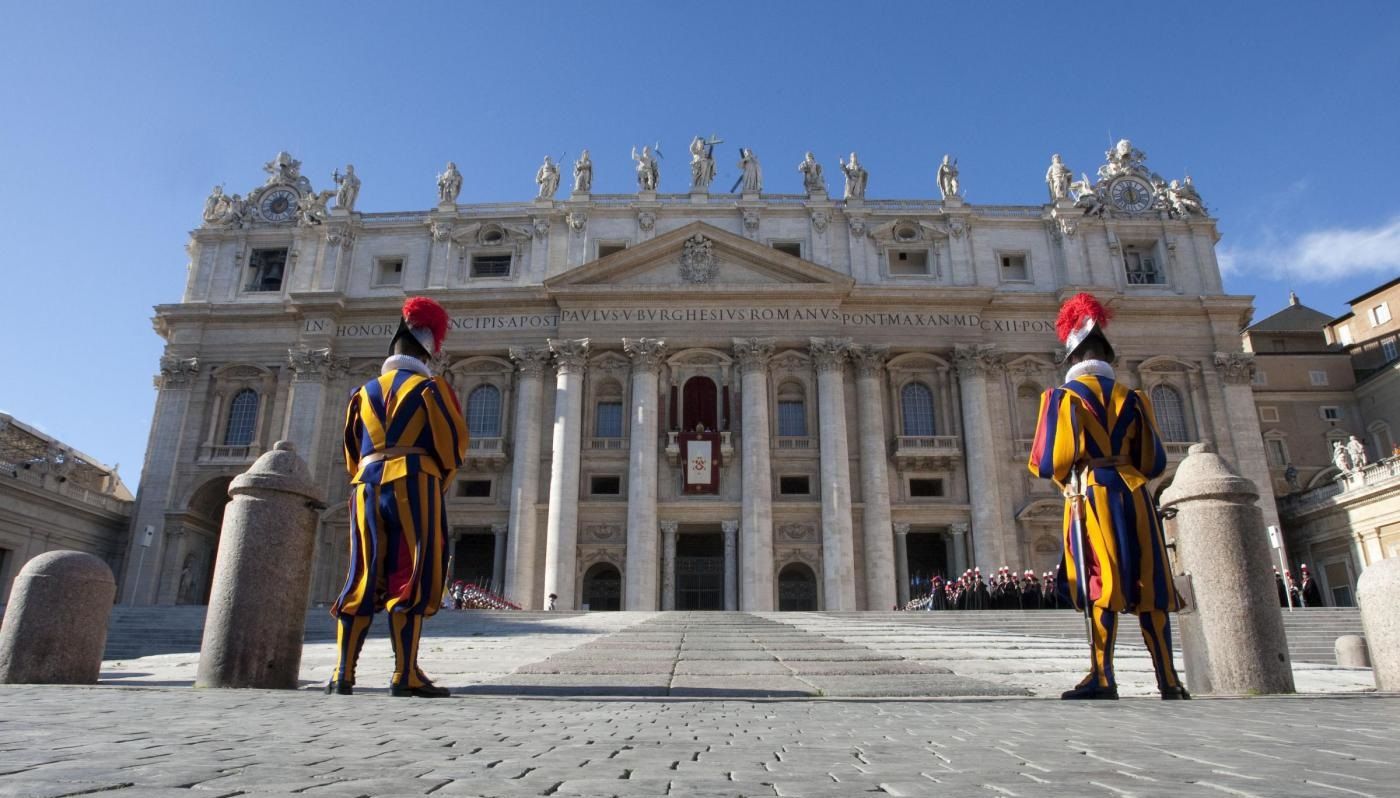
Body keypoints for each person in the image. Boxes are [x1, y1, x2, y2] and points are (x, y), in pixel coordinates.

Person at [1028, 292, 1188, 700]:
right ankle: (1169, 680)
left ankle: (1102, 676)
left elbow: (1048, 459)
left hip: (1091, 495)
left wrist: (1072, 473)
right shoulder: (1135, 399)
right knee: (1148, 582)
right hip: (1135, 496)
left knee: (1100, 577)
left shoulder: (1062, 398)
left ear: (1072, 359)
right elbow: (1153, 461)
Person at [327, 297, 469, 698]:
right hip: (414, 481)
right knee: (411, 573)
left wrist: (367, 474)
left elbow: (350, 451)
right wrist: (436, 477)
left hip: (365, 485)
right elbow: (453, 447)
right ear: (428, 352)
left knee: (361, 571)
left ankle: (343, 674)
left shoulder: (363, 392)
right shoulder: (431, 388)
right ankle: (404, 673)